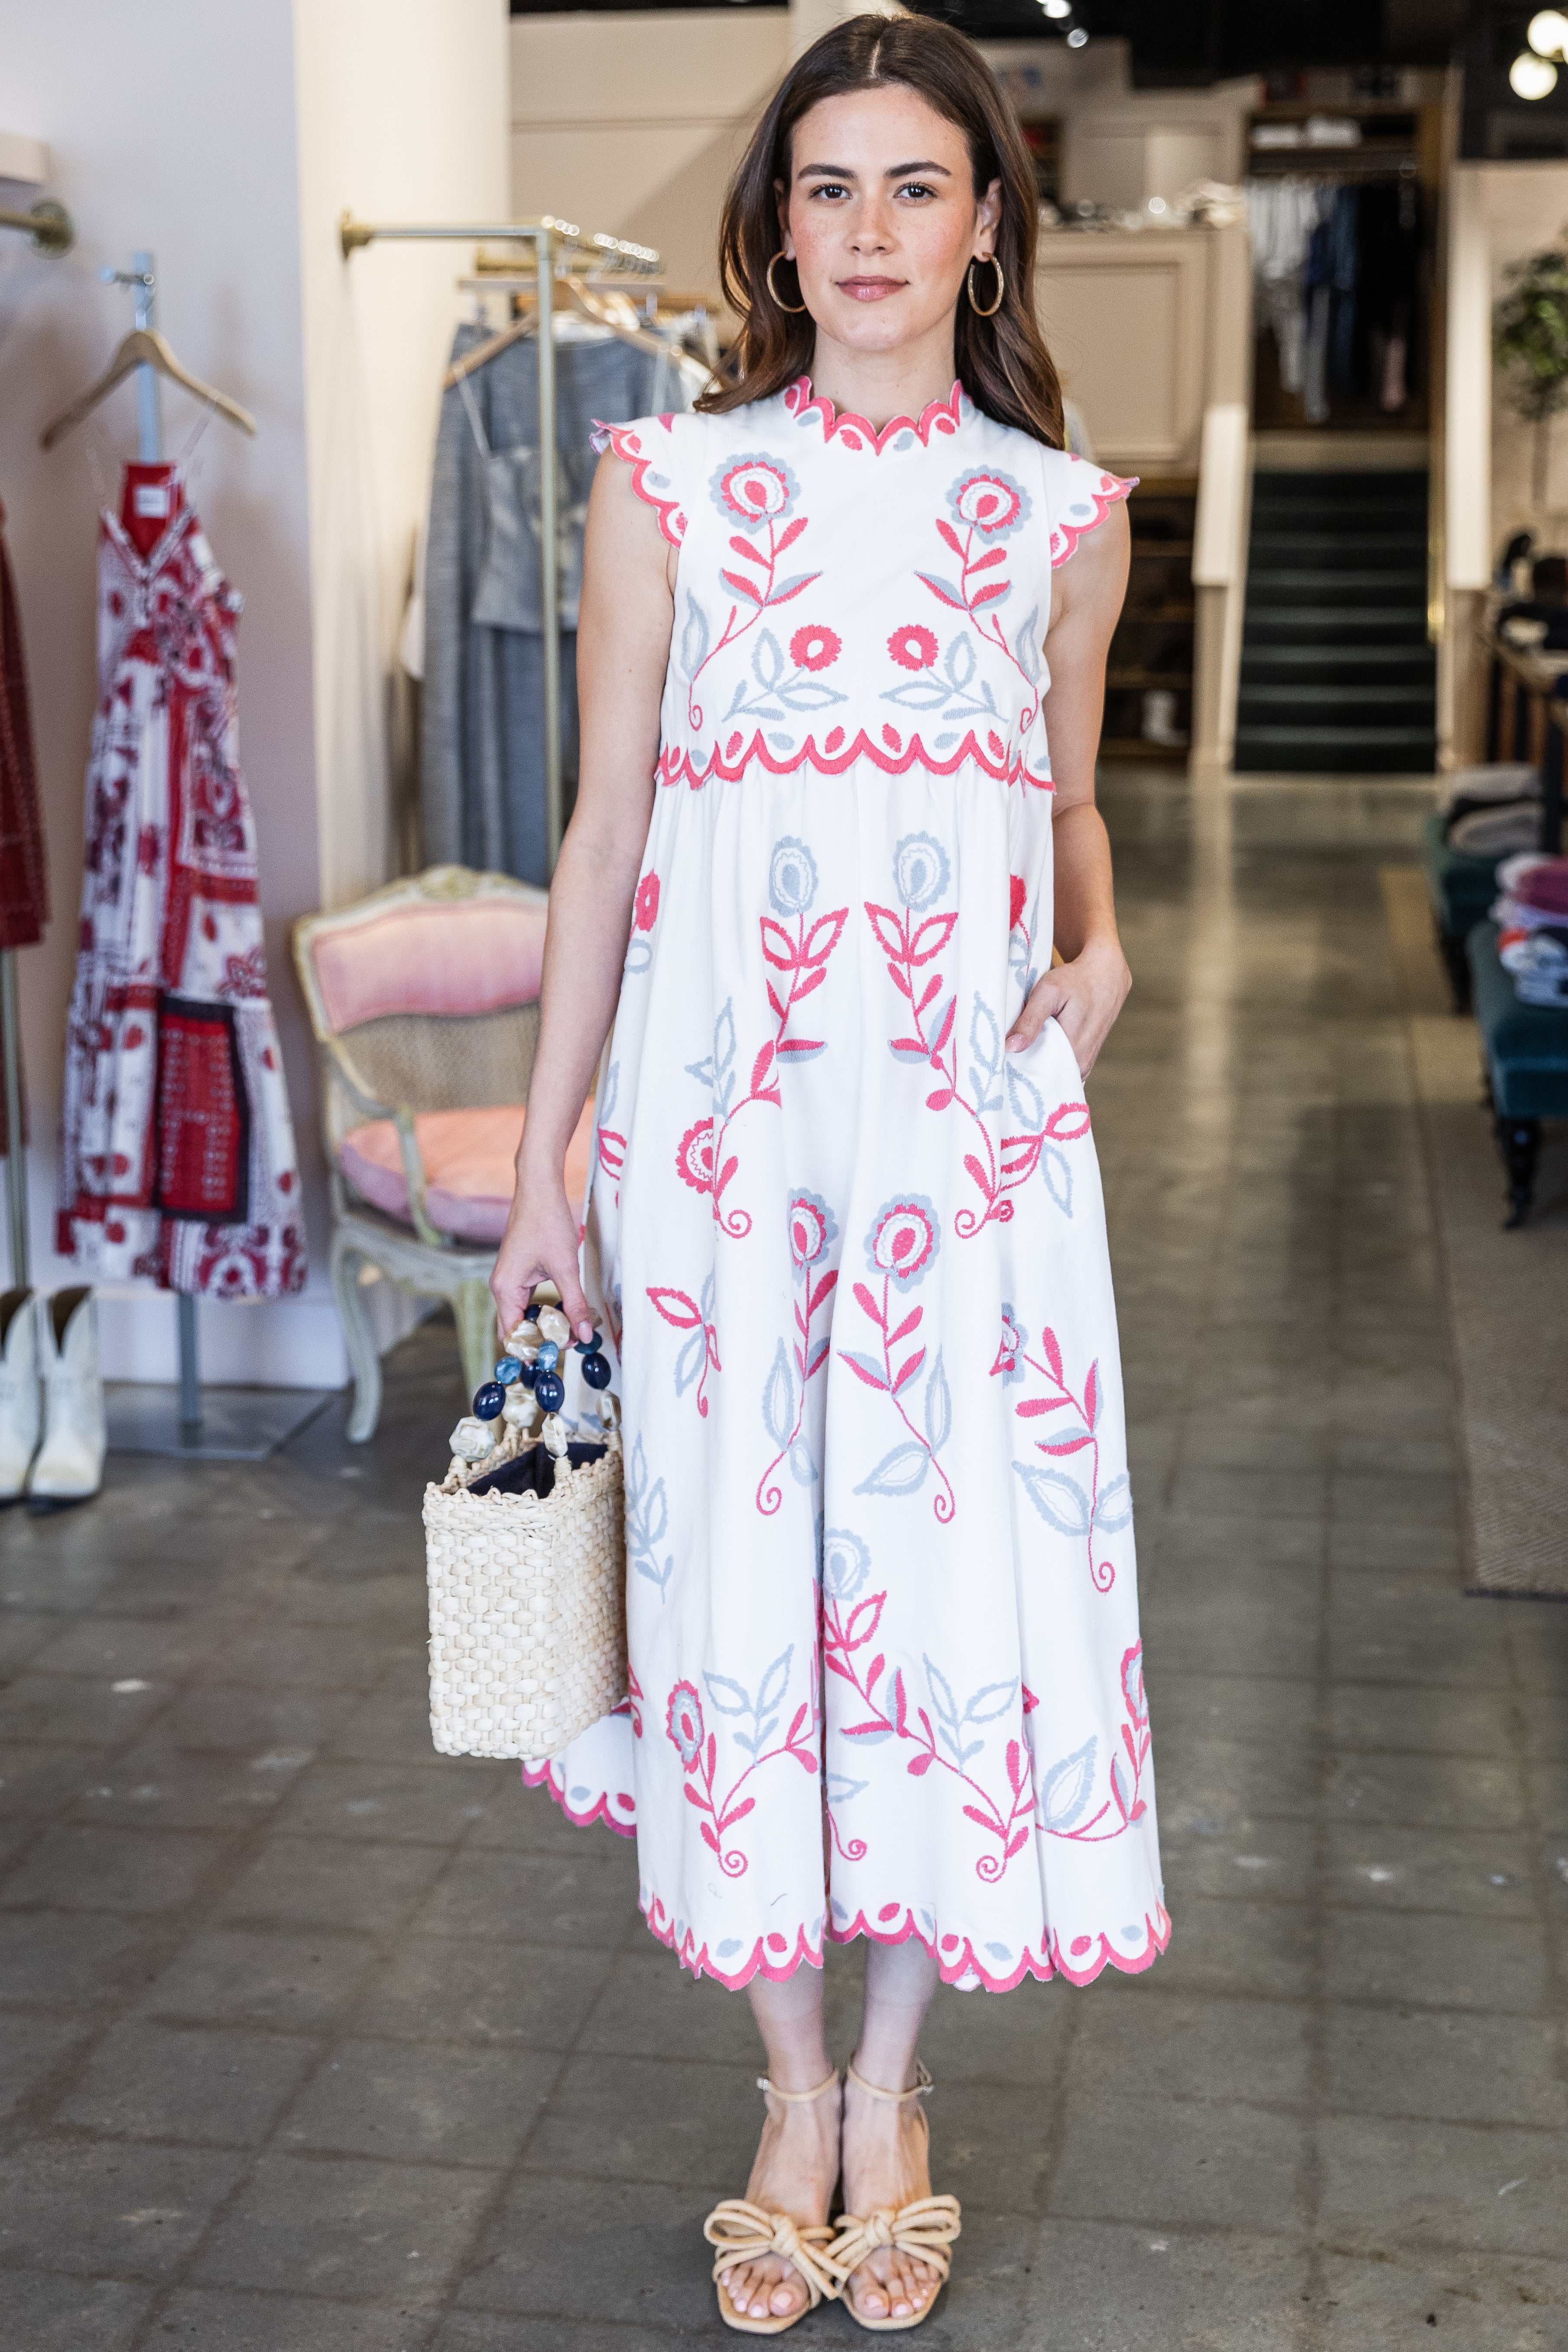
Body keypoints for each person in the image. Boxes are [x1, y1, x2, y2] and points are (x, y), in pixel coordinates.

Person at [490, 12, 1167, 2331]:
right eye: (828, 185)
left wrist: (1102, 949)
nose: (869, 230)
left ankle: (894, 2090)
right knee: (740, 1605)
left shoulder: (1059, 518)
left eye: (916, 185)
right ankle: (791, 2095)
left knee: (941, 1595)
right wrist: (550, 1159)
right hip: (721, 1144)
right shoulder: (668, 485)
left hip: (967, 1153)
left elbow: (1065, 805)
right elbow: (604, 835)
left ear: (987, 226)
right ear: (775, 228)